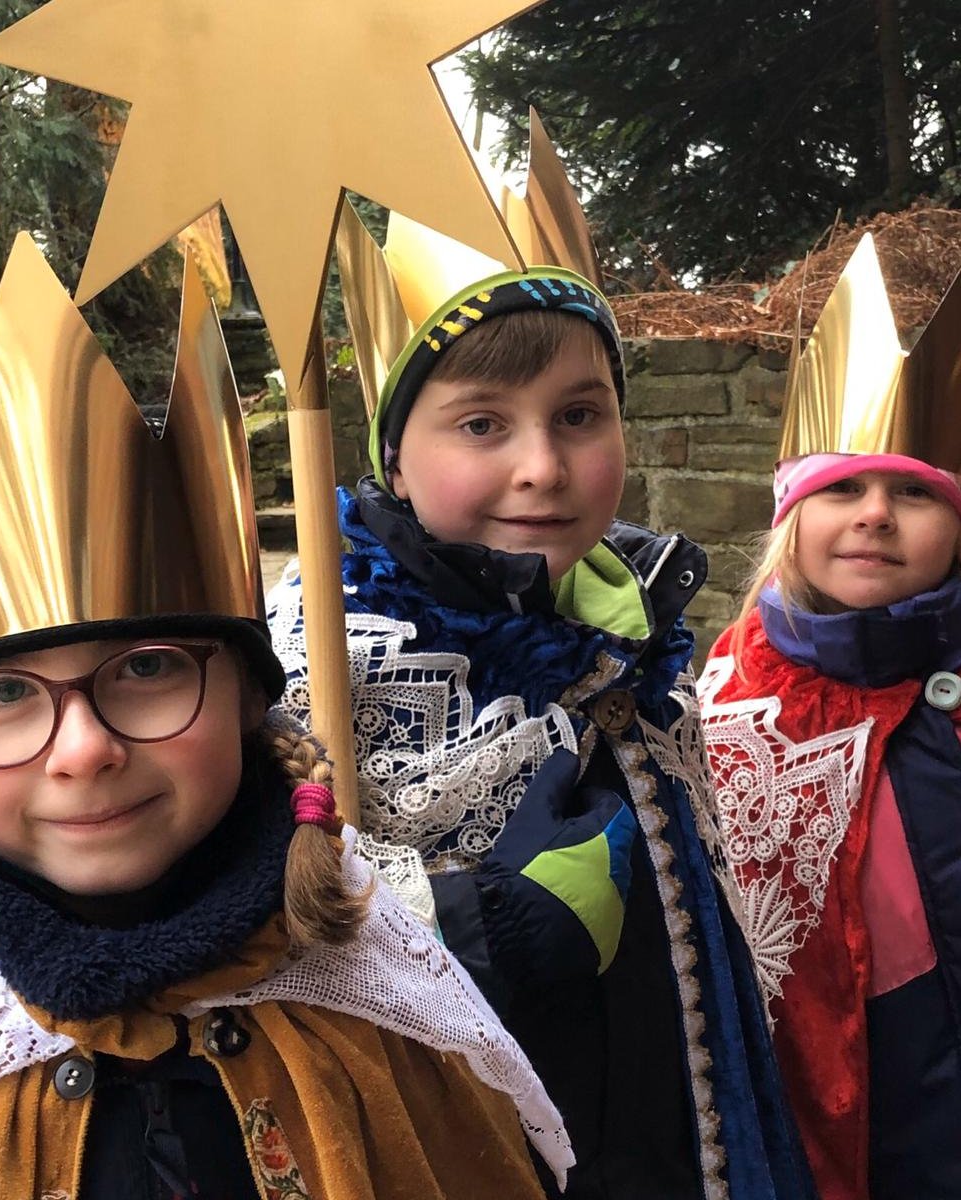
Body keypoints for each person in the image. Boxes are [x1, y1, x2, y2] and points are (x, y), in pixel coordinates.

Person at [0, 233, 571, 1200]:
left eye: (149, 668)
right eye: (1, 692)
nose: (83, 751)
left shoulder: (374, 983)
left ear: (250, 698)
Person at [267, 113, 812, 1199]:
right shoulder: (320, 668)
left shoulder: (634, 639)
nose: (542, 468)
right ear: (396, 458)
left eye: (578, 414)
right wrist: (499, 921)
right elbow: (299, 963)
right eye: (480, 425)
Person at [698, 234, 961, 1200]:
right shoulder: (732, 718)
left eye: (915, 492)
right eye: (843, 490)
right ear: (792, 516)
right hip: (896, 1143)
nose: (875, 514)